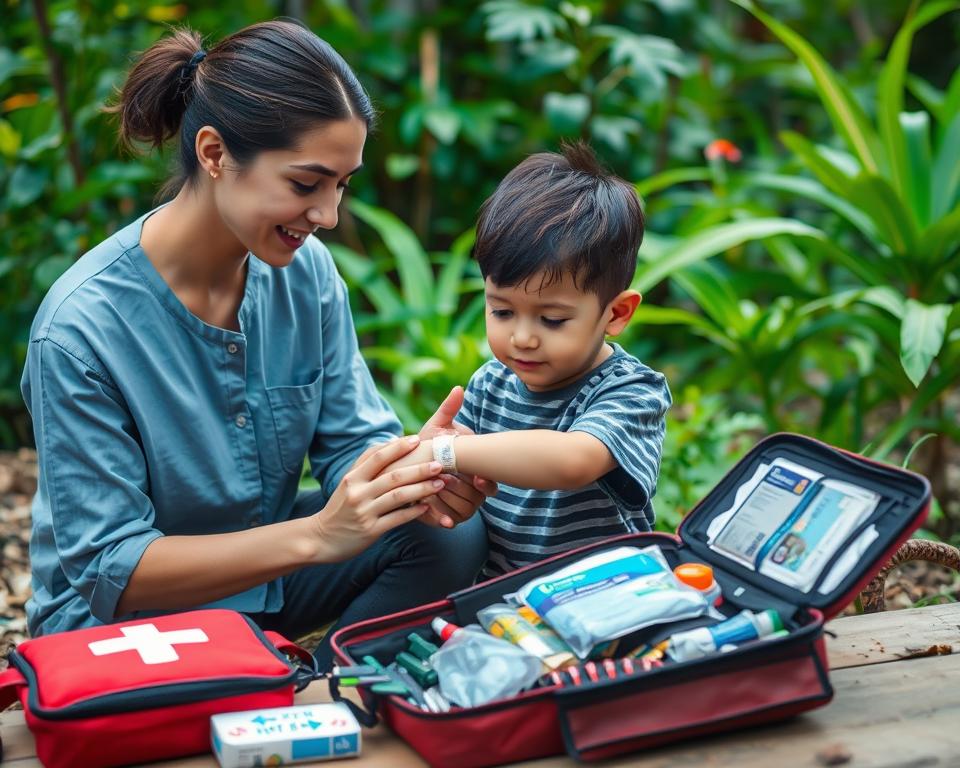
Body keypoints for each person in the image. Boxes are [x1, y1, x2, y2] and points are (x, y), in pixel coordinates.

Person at [20, 20, 493, 667]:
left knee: (441, 536)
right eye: (305, 184)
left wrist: (418, 473)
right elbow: (111, 568)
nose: (327, 214)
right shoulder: (82, 328)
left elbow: (352, 444)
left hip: (262, 574)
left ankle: (330, 693)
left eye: (341, 185)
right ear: (214, 155)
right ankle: (271, 682)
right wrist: (317, 536)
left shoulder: (308, 273)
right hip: (125, 624)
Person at [386, 143, 671, 578]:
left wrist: (447, 450)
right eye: (501, 311)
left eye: (552, 319)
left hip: (603, 592)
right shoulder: (490, 384)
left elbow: (573, 460)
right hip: (499, 594)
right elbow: (462, 484)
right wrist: (439, 485)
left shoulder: (631, 391)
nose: (521, 338)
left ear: (616, 314)